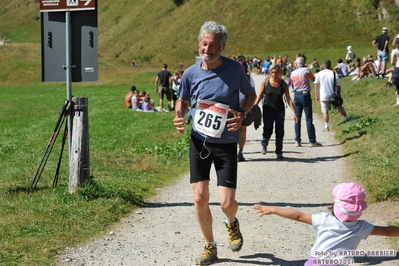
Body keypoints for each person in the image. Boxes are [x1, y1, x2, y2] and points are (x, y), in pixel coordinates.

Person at [173, 21, 256, 265]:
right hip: (199, 141)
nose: (207, 49)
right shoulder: (190, 73)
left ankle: (232, 222)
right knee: (199, 198)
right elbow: (182, 100)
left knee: (227, 203)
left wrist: (242, 113)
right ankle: (210, 246)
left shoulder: (234, 69)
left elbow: (250, 95)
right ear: (199, 43)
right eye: (204, 44)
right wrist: (179, 116)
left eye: (213, 45)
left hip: (226, 143)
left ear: (222, 47)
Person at [254, 182, 399, 265]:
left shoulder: (325, 220)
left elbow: (298, 216)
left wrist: (273, 209)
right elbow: (387, 231)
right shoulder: (361, 228)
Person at [253, 64, 297, 159]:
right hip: (268, 109)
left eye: (276, 72)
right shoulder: (265, 82)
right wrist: (254, 107)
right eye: (272, 72)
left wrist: (294, 112)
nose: (274, 74)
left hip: (279, 110)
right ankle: (264, 143)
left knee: (280, 130)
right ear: (270, 73)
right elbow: (260, 95)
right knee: (268, 129)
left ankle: (279, 151)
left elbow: (288, 99)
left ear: (280, 73)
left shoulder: (283, 84)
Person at [290, 57, 322, 147]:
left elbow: (292, 84)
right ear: (304, 63)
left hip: (296, 95)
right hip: (305, 94)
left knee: (297, 118)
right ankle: (312, 141)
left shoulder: (292, 73)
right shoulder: (306, 70)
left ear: (296, 64)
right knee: (308, 119)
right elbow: (313, 79)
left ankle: (297, 140)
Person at [314, 59, 350, 132]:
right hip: (333, 95)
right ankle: (347, 117)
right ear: (330, 65)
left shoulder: (319, 74)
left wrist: (316, 95)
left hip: (323, 95)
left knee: (325, 111)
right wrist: (339, 94)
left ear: (323, 66)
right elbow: (338, 86)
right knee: (339, 106)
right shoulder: (333, 73)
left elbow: (316, 85)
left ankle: (326, 125)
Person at [237, 56, 256, 162]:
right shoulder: (231, 77)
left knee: (243, 129)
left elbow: (253, 94)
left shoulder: (249, 78)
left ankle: (240, 152)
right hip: (232, 106)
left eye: (242, 66)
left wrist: (245, 103)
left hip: (245, 106)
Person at [390, 37, 399, 105]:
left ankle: (398, 100)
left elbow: (392, 62)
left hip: (397, 68)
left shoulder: (394, 51)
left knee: (398, 85)